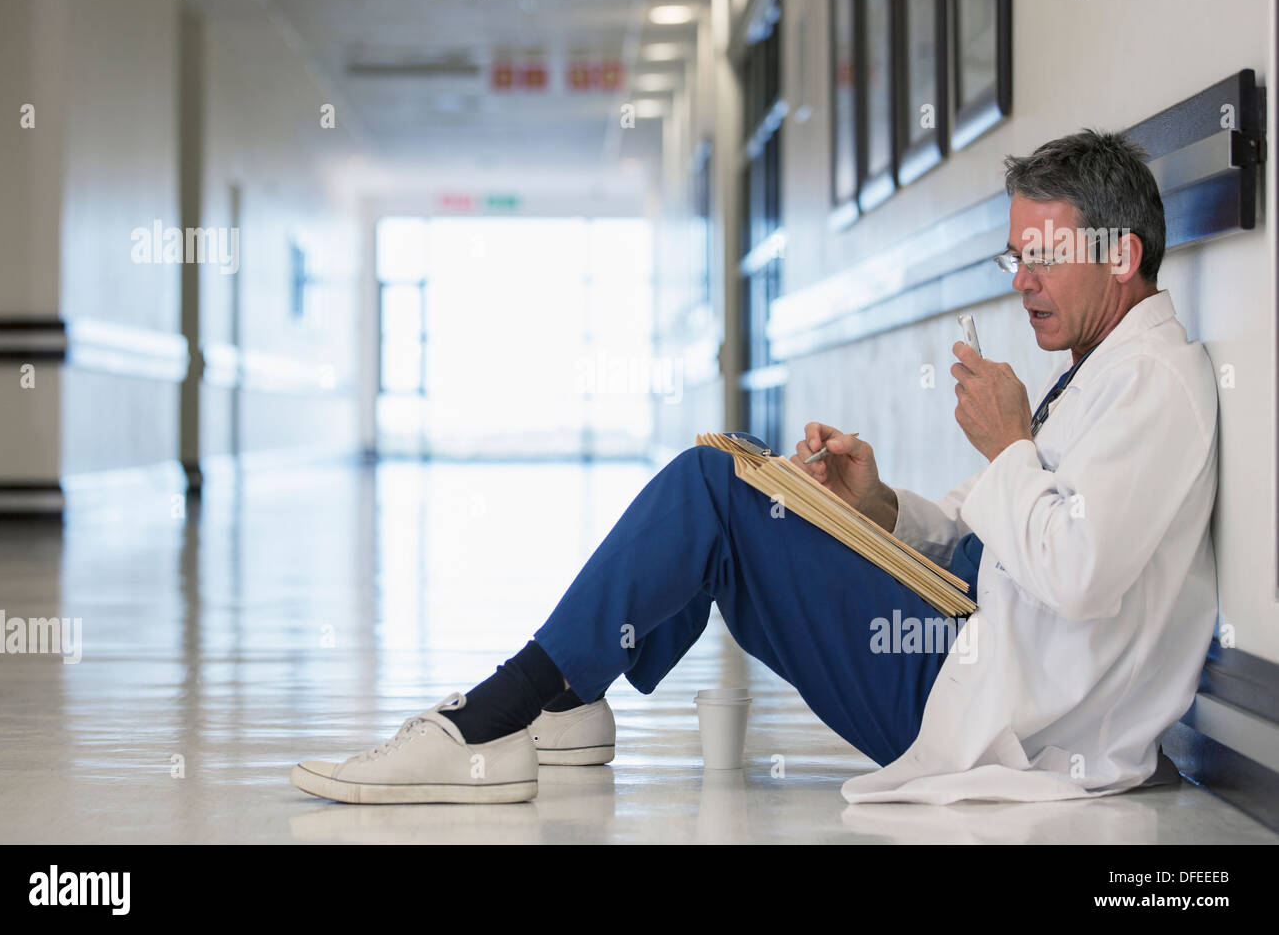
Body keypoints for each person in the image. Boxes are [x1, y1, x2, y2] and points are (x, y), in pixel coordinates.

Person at [291, 129, 1219, 806]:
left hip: (968, 691)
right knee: (736, 472)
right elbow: (997, 524)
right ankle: (565, 698)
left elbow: (1080, 573)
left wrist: (1011, 443)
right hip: (961, 644)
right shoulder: (1101, 374)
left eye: (1043, 257)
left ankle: (506, 710)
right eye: (1014, 257)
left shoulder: (1157, 383)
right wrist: (880, 505)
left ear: (1122, 254)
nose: (1021, 281)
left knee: (716, 494)